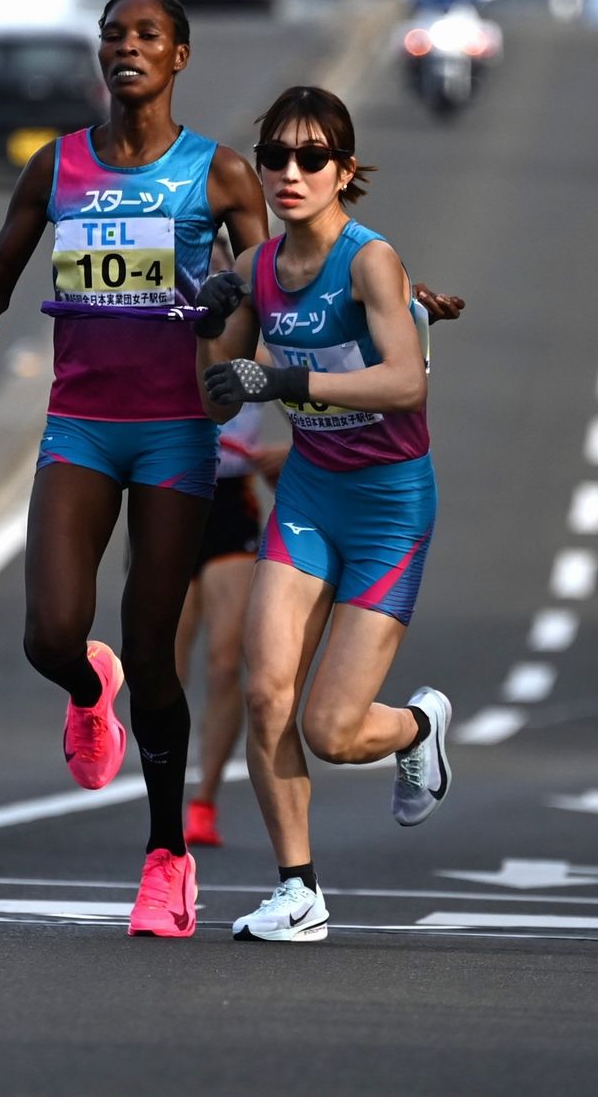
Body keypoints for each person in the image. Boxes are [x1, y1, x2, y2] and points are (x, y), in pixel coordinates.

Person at [0, 0, 462, 937]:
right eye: (113, 35)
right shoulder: (56, 167)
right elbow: (4, 280)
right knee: (56, 634)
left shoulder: (220, 177)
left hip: (198, 441)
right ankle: (91, 694)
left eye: (146, 35)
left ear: (180, 55)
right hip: (85, 423)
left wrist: (395, 294)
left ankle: (167, 862)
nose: (126, 49)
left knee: (178, 656)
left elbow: (292, 302)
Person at [194, 85, 447, 942]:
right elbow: (219, 394)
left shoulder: (370, 260)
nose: (290, 173)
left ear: (344, 169)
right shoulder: (257, 271)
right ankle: (297, 888)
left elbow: (405, 381)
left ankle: (418, 723)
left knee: (332, 729)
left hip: (387, 505)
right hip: (308, 495)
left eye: (312, 158)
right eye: (275, 158)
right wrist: (209, 321)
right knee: (264, 691)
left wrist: (286, 379)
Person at [174, 240, 287, 849]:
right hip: (167, 496)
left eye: (225, 262)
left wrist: (287, 453)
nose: (216, 273)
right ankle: (162, 788)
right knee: (161, 662)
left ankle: (205, 800)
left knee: (225, 661)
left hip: (230, 500)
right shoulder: (167, 320)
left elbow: (321, 398)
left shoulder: (260, 334)